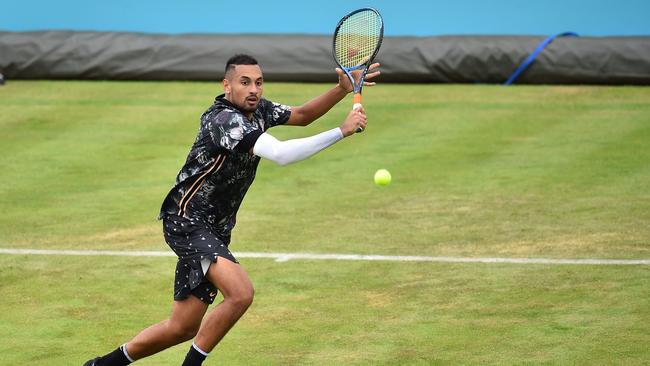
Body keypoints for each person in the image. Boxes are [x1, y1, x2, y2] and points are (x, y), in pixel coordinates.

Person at [84, 54, 380, 366]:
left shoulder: (260, 110)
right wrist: (341, 131)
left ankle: (103, 365)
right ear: (227, 86)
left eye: (259, 82)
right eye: (245, 82)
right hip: (186, 220)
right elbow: (280, 154)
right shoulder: (223, 121)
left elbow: (303, 114)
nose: (254, 89)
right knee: (240, 293)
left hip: (215, 230)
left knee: (182, 327)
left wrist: (341, 89)